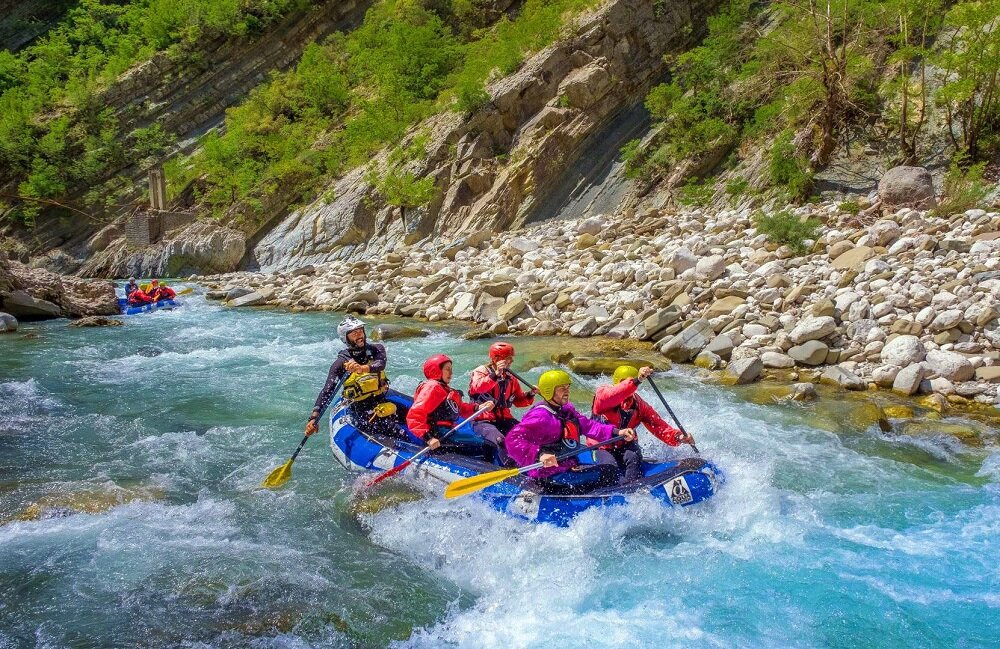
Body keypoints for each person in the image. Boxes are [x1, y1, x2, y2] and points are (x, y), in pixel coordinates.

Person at [505, 370, 636, 493]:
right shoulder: (540, 416)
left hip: (567, 462)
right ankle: (626, 492)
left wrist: (617, 432)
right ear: (549, 391)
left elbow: (588, 426)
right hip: (549, 475)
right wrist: (540, 455)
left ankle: (620, 488)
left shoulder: (565, 410)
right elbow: (512, 439)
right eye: (562, 388)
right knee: (608, 473)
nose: (567, 391)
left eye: (568, 387)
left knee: (607, 461)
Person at [592, 365, 692, 483]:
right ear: (617, 383)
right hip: (601, 446)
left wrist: (678, 437)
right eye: (624, 382)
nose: (628, 388)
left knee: (633, 457)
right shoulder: (603, 395)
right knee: (609, 466)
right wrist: (636, 380)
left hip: (625, 445)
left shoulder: (639, 405)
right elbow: (615, 393)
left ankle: (632, 488)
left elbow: (658, 425)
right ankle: (610, 489)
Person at [305, 316, 394, 437]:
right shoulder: (341, 363)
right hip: (359, 407)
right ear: (345, 338)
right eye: (354, 333)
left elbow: (380, 364)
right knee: (384, 430)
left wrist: (362, 368)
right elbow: (327, 390)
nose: (359, 335)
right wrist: (314, 417)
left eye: (360, 330)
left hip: (381, 398)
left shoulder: (377, 349)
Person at [407, 354, 494, 454]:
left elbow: (459, 409)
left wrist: (478, 407)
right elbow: (415, 415)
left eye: (451, 369)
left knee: (485, 444)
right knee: (487, 446)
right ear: (436, 370)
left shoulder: (443, 389)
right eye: (447, 369)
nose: (451, 373)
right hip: (437, 433)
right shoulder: (432, 387)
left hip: (446, 431)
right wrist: (429, 438)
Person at [468, 342, 536, 466]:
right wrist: (495, 375)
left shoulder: (510, 378)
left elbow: (519, 400)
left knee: (529, 434)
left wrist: (530, 394)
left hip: (504, 418)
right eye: (509, 358)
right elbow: (477, 387)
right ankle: (510, 468)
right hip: (482, 420)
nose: (512, 361)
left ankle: (533, 461)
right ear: (497, 359)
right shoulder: (481, 371)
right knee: (501, 440)